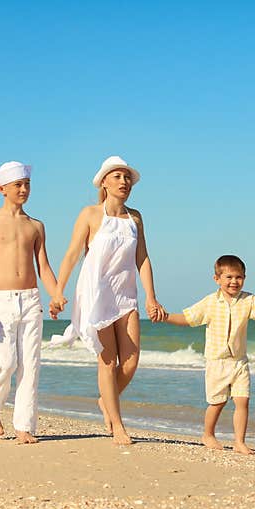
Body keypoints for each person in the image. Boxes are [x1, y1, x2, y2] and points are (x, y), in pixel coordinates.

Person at [50, 156, 166, 445]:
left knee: (130, 361)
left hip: (126, 294)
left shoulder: (135, 217)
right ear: (104, 182)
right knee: (108, 361)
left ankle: (106, 400)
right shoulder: (89, 214)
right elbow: (72, 254)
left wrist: (151, 296)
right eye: (117, 177)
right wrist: (58, 291)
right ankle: (117, 425)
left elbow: (143, 258)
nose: (124, 182)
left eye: (127, 178)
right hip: (97, 294)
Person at [0, 161, 59, 444]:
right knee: (6, 360)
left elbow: (43, 266)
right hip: (0, 300)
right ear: (1, 189)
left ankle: (24, 426)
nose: (24, 189)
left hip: (31, 299)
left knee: (30, 365)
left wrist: (56, 294)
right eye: (18, 185)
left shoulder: (36, 225)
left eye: (27, 184)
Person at [162, 255, 255, 455]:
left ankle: (239, 441)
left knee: (242, 400)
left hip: (239, 362)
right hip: (216, 362)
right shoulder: (210, 302)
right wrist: (166, 317)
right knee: (217, 402)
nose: (234, 282)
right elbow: (188, 318)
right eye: (228, 277)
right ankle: (208, 434)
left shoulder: (249, 300)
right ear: (217, 279)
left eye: (239, 277)